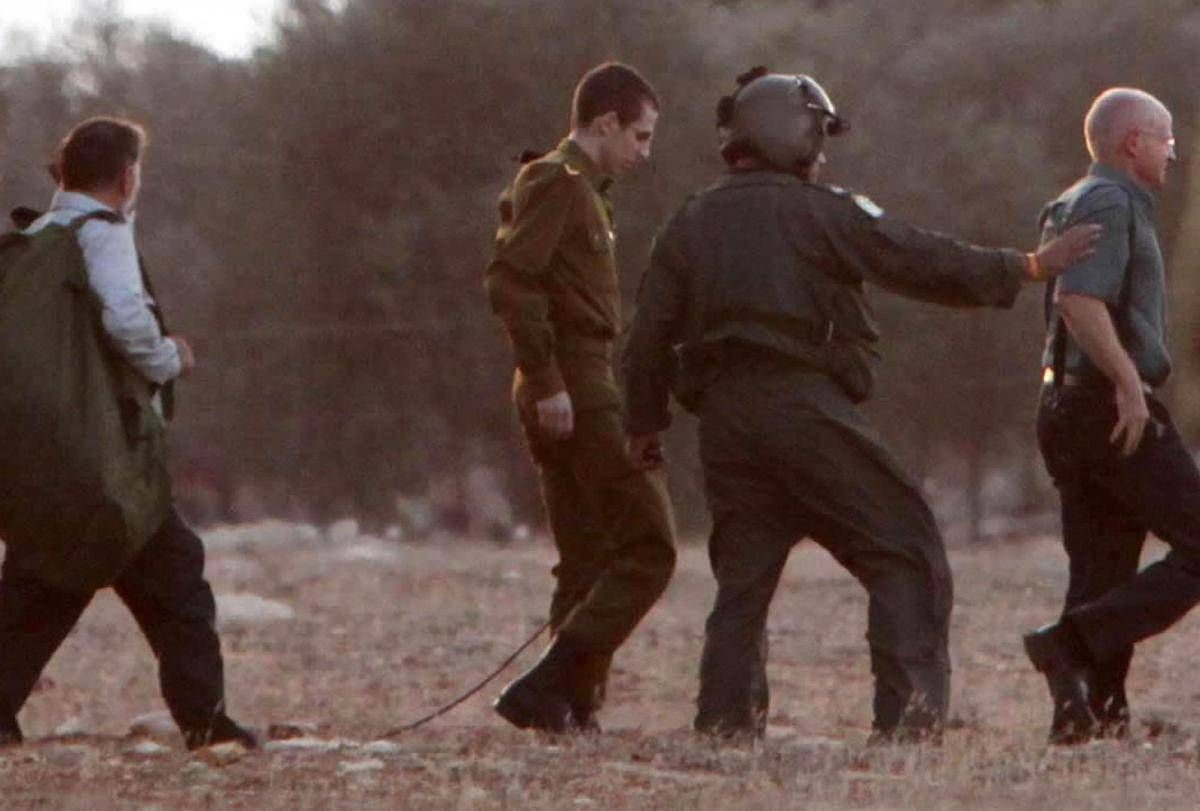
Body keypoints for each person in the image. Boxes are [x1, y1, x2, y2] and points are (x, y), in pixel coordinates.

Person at [621, 67, 1099, 741]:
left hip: (726, 422)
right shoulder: (821, 211)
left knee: (743, 583)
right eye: (819, 137)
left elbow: (647, 337)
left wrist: (644, 424)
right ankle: (908, 725)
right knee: (905, 548)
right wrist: (1025, 267)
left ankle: (726, 725)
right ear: (794, 135)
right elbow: (914, 257)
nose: (823, 155)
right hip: (802, 409)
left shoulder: (689, 220)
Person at [0, 117, 255, 750]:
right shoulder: (103, 233)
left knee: (46, 581)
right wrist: (171, 358)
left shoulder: (34, 238)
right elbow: (126, 321)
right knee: (175, 577)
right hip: (108, 463)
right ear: (126, 176)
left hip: (49, 458)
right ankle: (205, 722)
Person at [484, 62, 676, 732]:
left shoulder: (586, 190)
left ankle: (569, 706)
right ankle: (550, 683)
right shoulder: (558, 182)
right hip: (575, 381)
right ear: (605, 123)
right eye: (640, 136)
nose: (644, 152)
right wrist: (548, 382)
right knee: (651, 547)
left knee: (588, 552)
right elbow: (511, 281)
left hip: (578, 377)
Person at [1023, 88, 1190, 745]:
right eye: (1165, 138)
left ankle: (1090, 718)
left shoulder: (1077, 199)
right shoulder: (1109, 202)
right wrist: (1128, 386)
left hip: (1069, 406)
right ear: (1132, 142)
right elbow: (1079, 301)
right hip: (1103, 405)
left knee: (1101, 567)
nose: (1172, 151)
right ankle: (1068, 643)